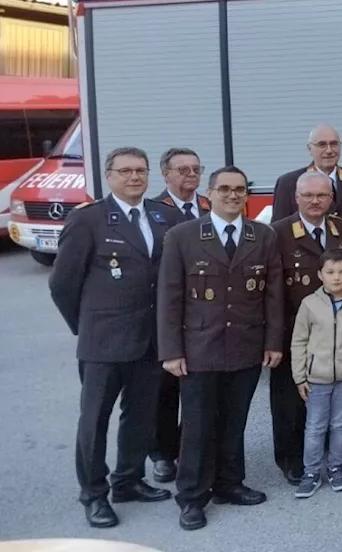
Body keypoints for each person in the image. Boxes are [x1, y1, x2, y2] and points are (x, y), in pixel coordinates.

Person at [50, 147, 184, 529]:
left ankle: (128, 480)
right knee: (94, 421)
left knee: (140, 416)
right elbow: (62, 283)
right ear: (109, 176)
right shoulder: (89, 220)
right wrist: (85, 325)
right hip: (102, 341)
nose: (134, 177)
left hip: (150, 339)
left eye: (140, 170)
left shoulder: (165, 217)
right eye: (125, 171)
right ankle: (94, 494)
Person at [157, 165, 285, 531]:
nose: (233, 195)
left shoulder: (263, 235)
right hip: (199, 347)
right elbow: (170, 296)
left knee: (234, 421)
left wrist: (273, 341)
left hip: (246, 344)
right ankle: (192, 497)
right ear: (209, 194)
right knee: (197, 425)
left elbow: (273, 295)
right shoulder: (183, 235)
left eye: (240, 189)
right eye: (225, 189)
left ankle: (229, 483)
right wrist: (171, 350)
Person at [269, 170, 342, 482]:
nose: (315, 201)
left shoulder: (340, 228)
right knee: (291, 398)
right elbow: (273, 290)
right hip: (296, 331)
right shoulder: (278, 232)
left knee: (338, 393)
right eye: (308, 195)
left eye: (322, 195)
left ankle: (339, 455)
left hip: (336, 329)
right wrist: (273, 338)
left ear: (332, 198)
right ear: (296, 198)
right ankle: (291, 459)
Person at [148, 148, 212, 482]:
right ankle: (162, 452)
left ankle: (191, 446)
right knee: (166, 389)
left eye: (196, 168)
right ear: (165, 174)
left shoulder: (210, 206)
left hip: (208, 314)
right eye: (182, 169)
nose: (191, 174)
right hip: (170, 311)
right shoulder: (153, 211)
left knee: (200, 390)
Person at [291, 250, 342, 498]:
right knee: (315, 426)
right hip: (317, 378)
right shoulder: (309, 304)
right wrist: (300, 377)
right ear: (320, 275)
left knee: (341, 425)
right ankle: (312, 472)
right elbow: (299, 341)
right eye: (331, 272)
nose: (336, 278)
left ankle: (337, 467)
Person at [271, 123, 342, 222]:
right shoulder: (288, 183)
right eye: (322, 145)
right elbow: (278, 229)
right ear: (309, 149)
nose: (329, 150)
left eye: (334, 144)